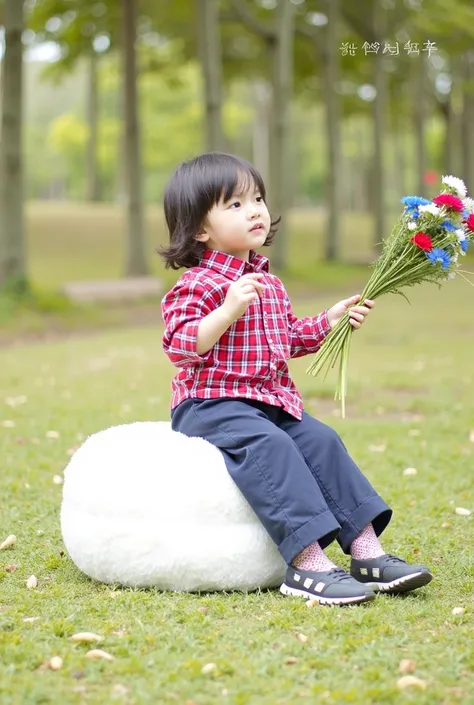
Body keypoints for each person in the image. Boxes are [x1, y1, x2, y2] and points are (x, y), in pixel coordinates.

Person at [159, 152, 433, 606]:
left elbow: (286, 338)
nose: (255, 211)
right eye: (235, 204)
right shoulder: (198, 284)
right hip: (211, 405)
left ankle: (366, 552)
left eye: (258, 199)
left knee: (321, 439)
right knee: (273, 447)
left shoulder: (268, 281)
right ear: (200, 230)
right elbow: (180, 344)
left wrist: (331, 319)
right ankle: (307, 564)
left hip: (269, 401)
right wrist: (227, 311)